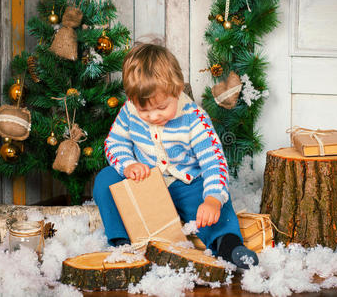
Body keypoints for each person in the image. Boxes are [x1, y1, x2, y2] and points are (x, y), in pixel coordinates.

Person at [93, 43, 258, 269]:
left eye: (161, 107)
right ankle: (123, 242)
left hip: (185, 183)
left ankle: (228, 244)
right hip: (146, 182)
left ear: (177, 89)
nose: (152, 116)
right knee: (105, 180)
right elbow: (114, 142)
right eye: (145, 111)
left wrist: (212, 199)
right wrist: (128, 164)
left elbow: (214, 162)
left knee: (214, 203)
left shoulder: (194, 118)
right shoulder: (130, 110)